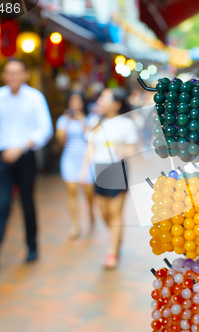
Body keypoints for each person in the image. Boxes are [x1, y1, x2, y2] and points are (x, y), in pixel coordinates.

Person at [0, 58, 53, 274]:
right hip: (2, 158)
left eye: (16, 72)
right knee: (2, 207)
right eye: (8, 73)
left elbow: (44, 129)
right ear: (4, 76)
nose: (12, 77)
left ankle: (32, 247)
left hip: (25, 157)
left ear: (25, 75)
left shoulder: (35, 97)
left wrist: (21, 147)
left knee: (27, 203)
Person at [84, 87, 138, 269]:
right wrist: (84, 169)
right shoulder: (95, 122)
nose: (100, 101)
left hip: (116, 168)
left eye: (105, 99)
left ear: (116, 104)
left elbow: (132, 148)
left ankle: (112, 252)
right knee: (104, 213)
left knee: (115, 213)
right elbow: (90, 145)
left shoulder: (126, 124)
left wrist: (124, 151)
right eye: (100, 98)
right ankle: (117, 238)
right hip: (99, 170)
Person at [55, 92, 95, 239]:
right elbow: (60, 141)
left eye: (78, 101)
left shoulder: (88, 118)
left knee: (89, 192)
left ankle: (91, 214)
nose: (75, 104)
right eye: (72, 101)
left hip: (86, 159)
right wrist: (66, 121)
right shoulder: (63, 120)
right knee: (72, 191)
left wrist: (82, 121)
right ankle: (75, 225)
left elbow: (91, 139)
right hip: (69, 159)